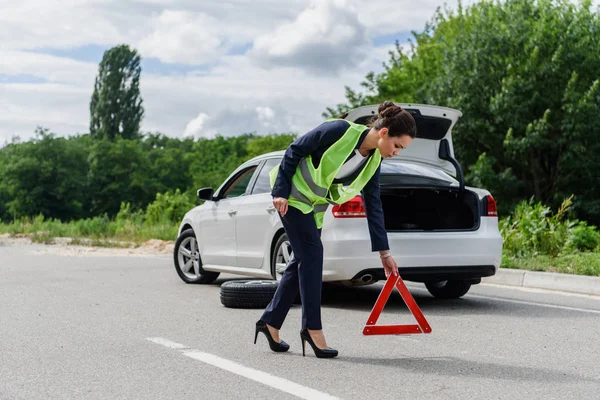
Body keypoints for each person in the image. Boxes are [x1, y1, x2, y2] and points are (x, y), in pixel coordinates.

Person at [254, 101, 417, 358]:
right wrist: (280, 192)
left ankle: (270, 322)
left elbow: (374, 206)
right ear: (384, 132)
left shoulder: (373, 162)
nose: (397, 152)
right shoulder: (339, 130)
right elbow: (295, 149)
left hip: (313, 206)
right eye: (398, 146)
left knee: (300, 263)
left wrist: (385, 254)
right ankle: (312, 328)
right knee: (312, 255)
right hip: (292, 198)